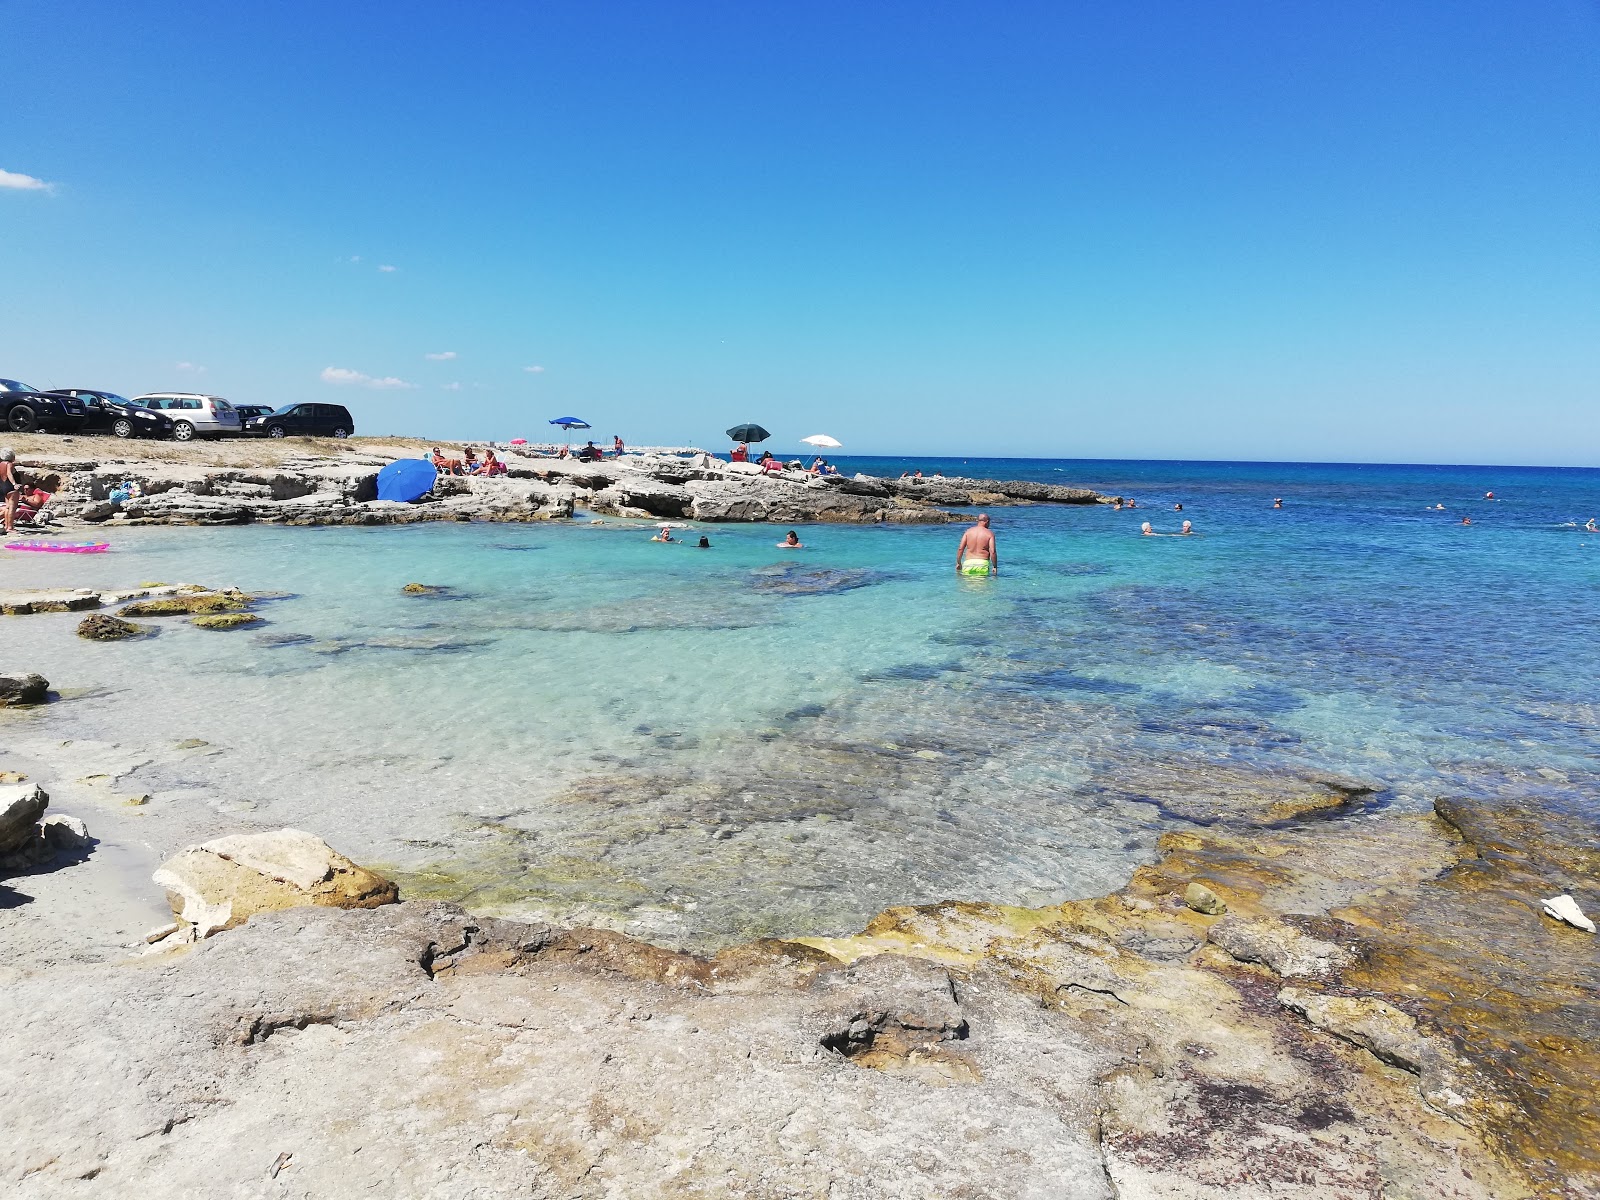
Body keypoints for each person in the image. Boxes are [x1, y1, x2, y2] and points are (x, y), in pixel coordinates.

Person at [0, 448, 18, 535]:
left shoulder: (1, 464)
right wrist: (14, 483)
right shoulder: (9, 464)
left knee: (7, 507)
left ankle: (6, 526)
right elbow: (9, 474)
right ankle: (10, 527)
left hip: (3, 486)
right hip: (10, 487)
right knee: (12, 508)